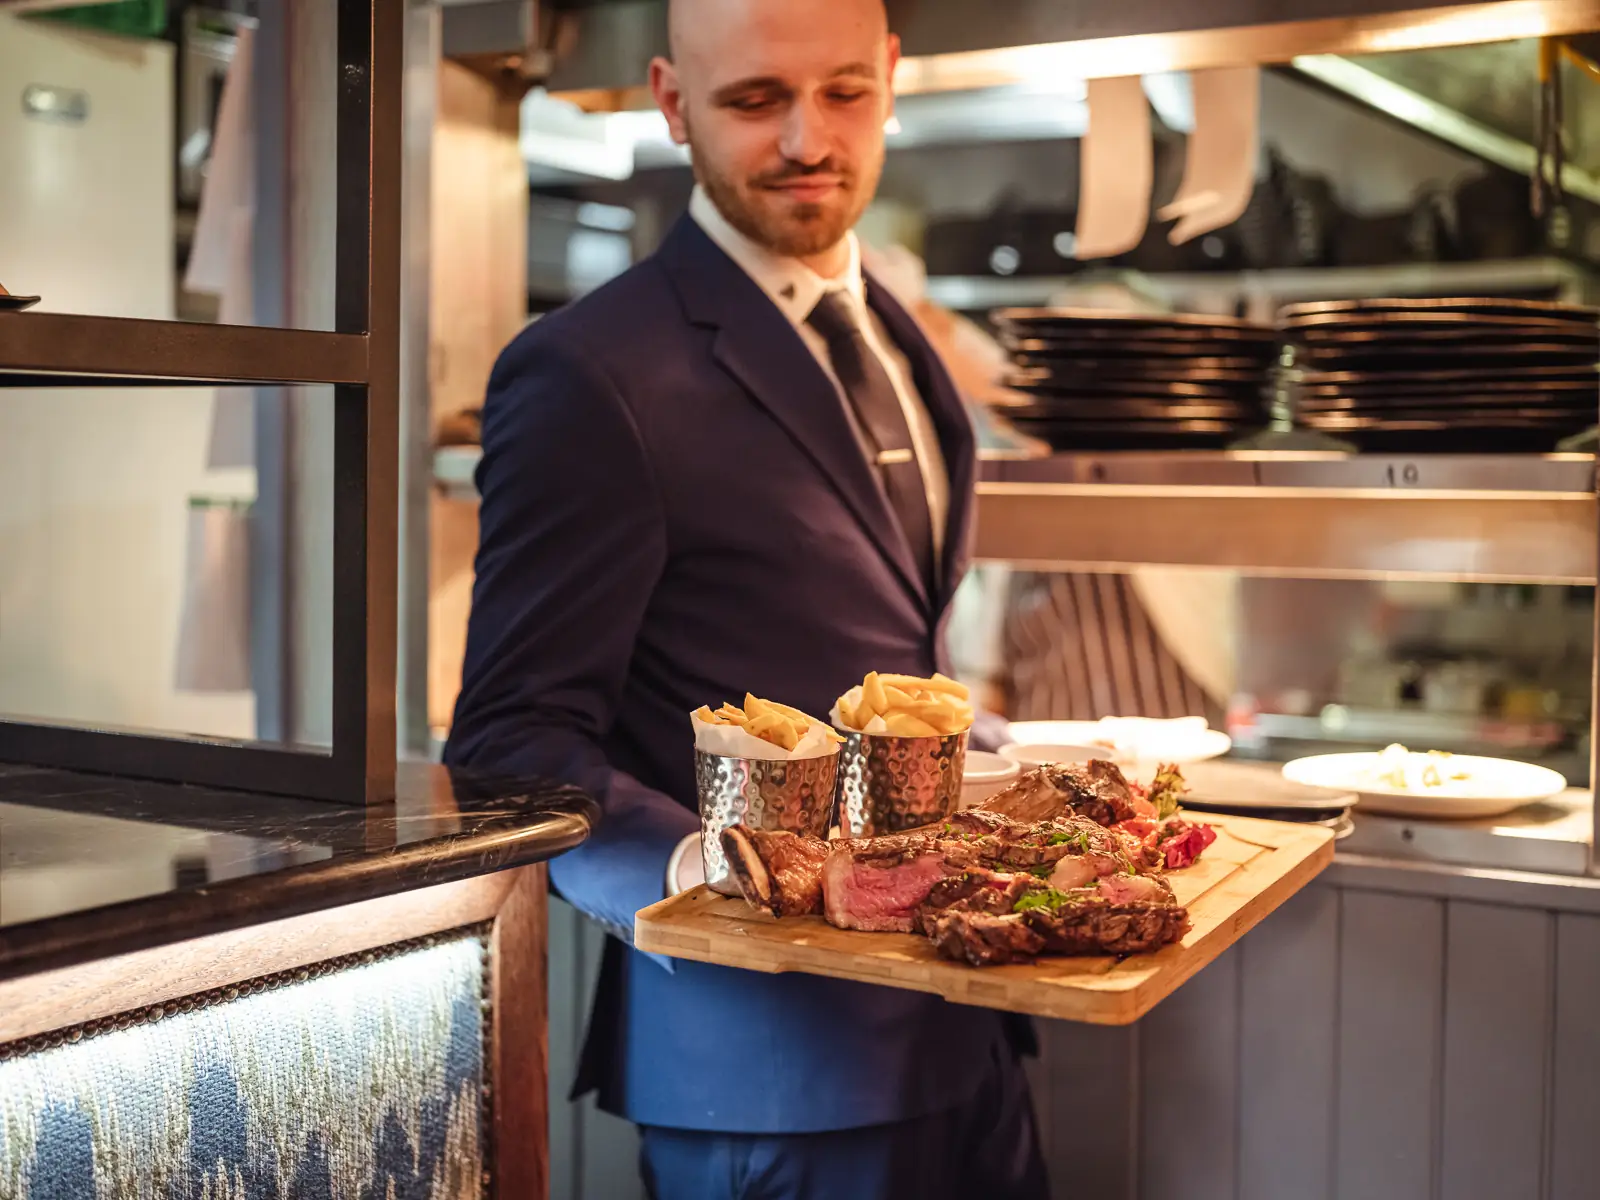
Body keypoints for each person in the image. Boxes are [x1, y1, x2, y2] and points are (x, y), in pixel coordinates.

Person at [444, 0, 1047, 1196]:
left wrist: (984, 759)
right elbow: (511, 745)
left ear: (890, 76)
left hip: (971, 1028)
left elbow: (872, 646)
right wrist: (703, 874)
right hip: (768, 1067)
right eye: (755, 101)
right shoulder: (589, 372)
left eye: (842, 93)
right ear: (672, 103)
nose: (807, 140)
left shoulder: (893, 337)